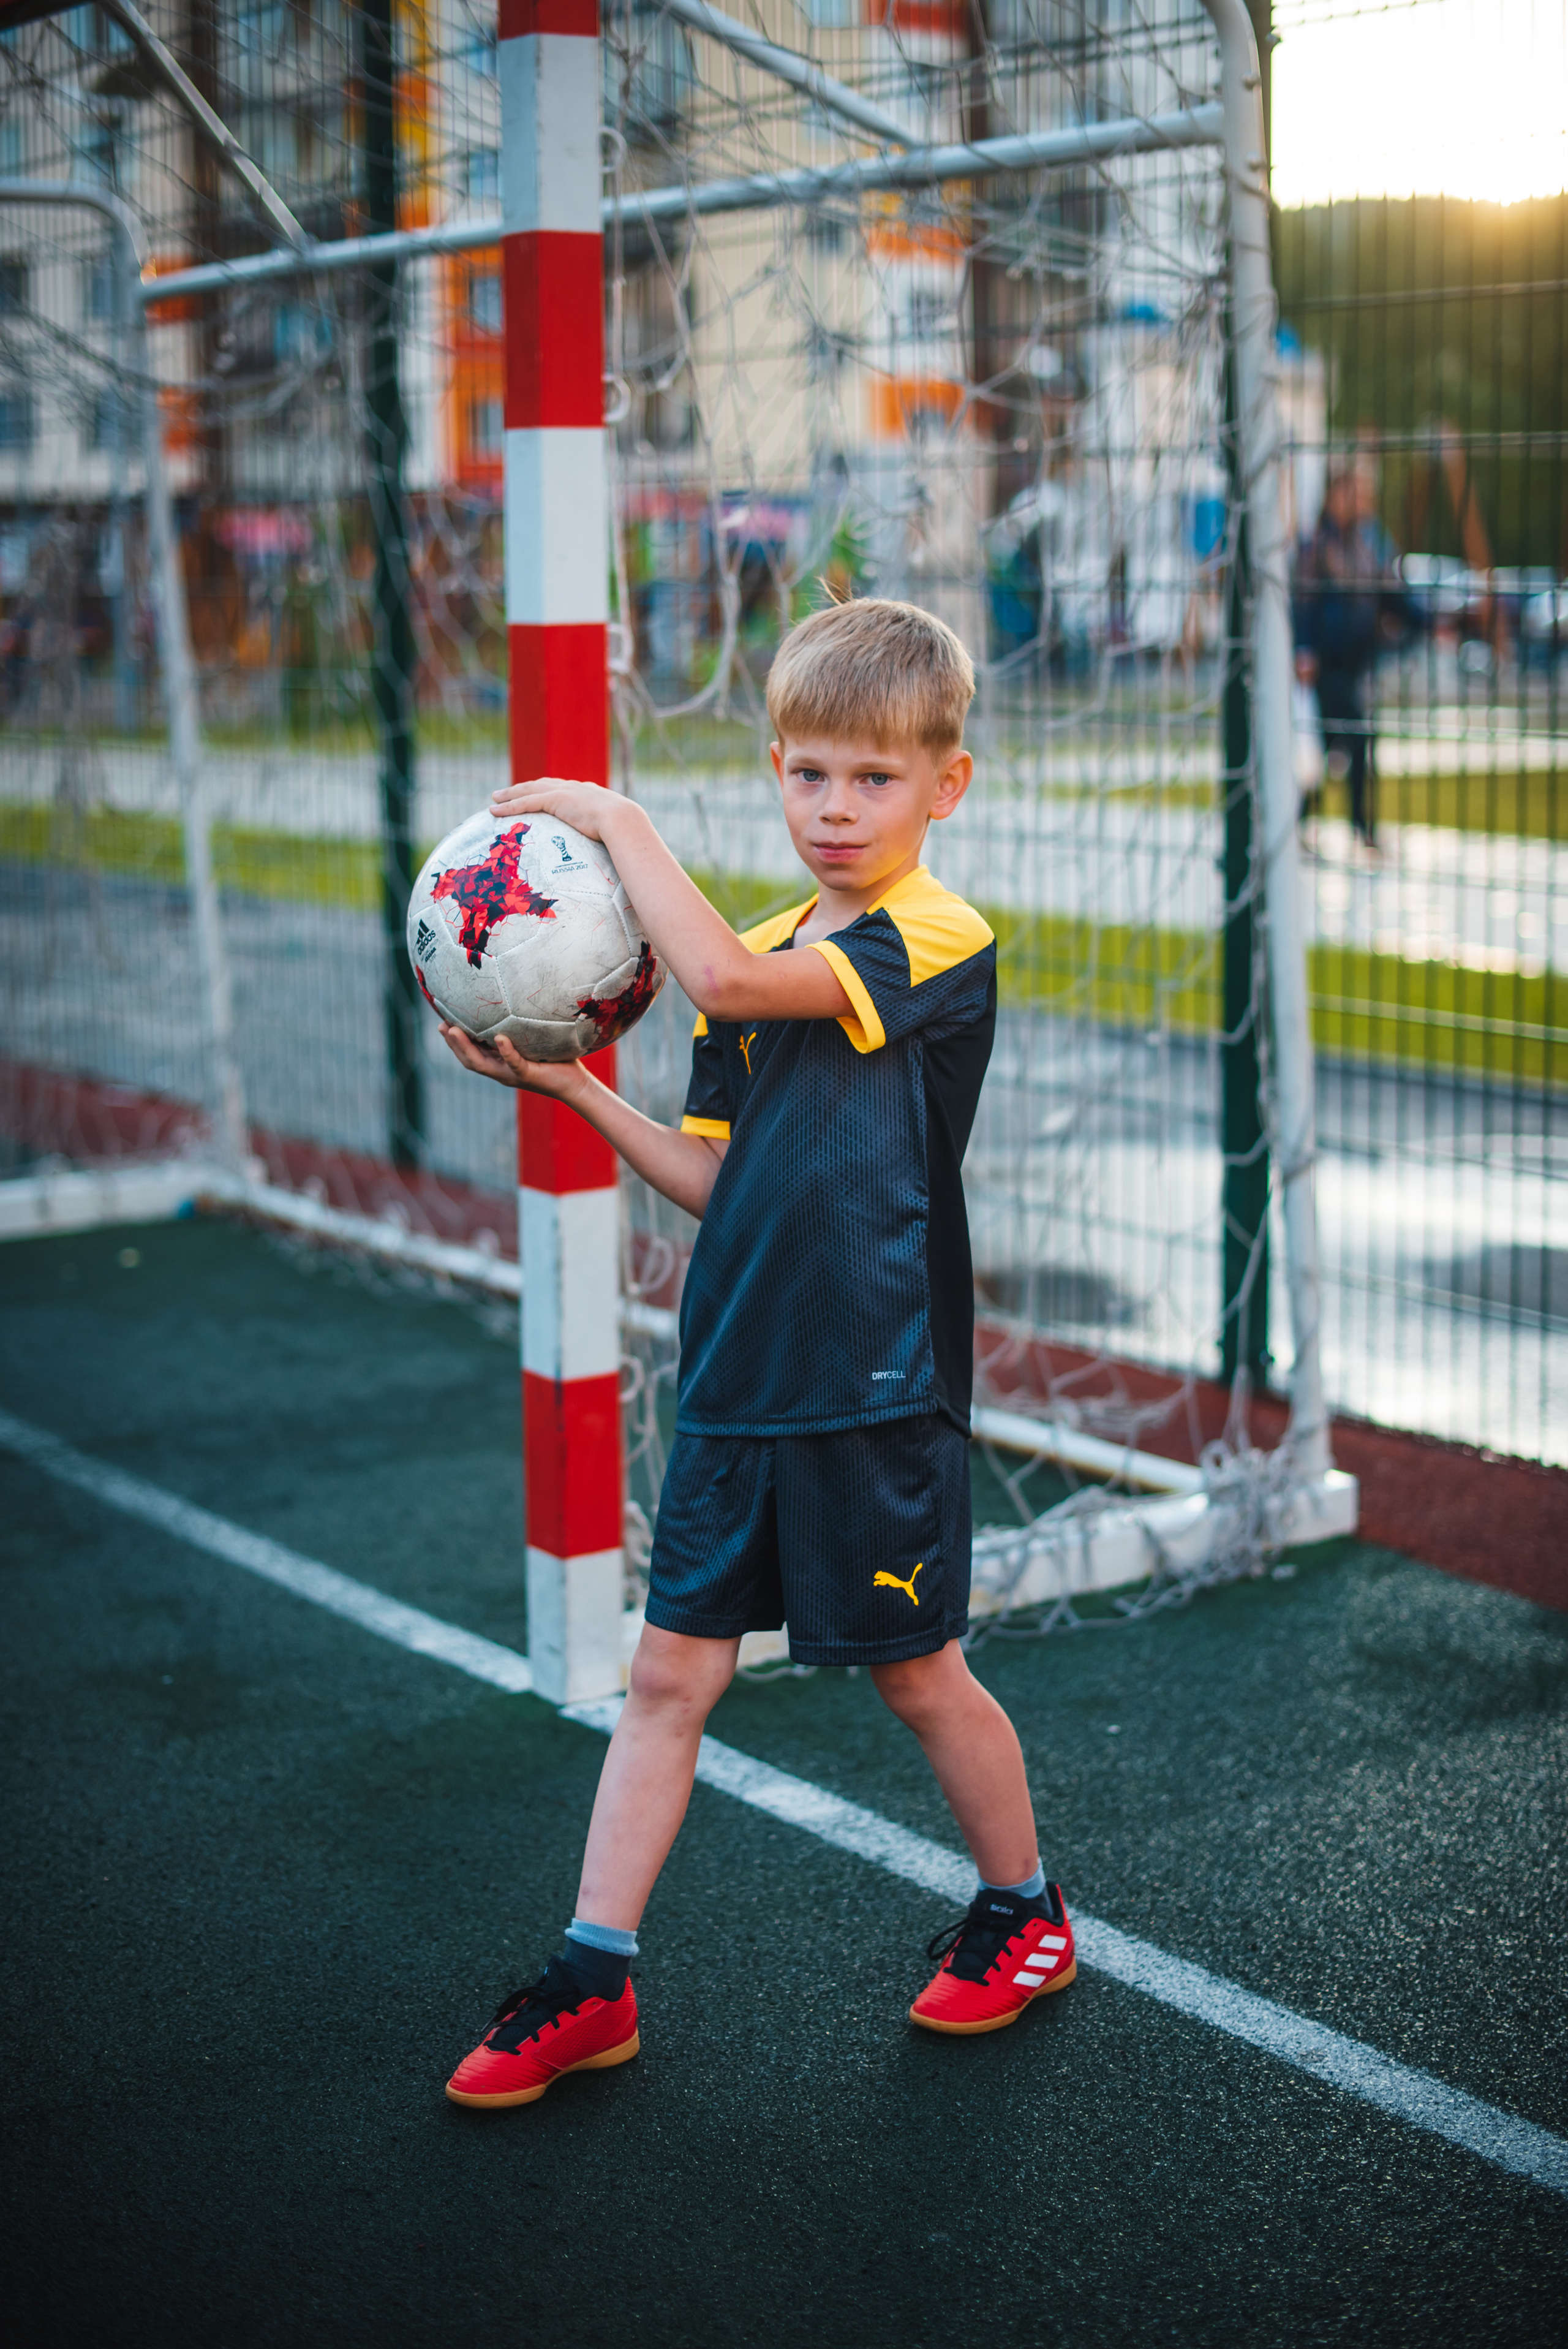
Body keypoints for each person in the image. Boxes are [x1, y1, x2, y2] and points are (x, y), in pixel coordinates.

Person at [437, 597, 1076, 2109]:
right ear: (774, 772)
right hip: (735, 1365)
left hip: (871, 1379)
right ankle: (592, 1976)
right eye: (807, 776)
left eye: (871, 779)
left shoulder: (931, 937)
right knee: (666, 1673)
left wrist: (611, 816)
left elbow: (714, 977)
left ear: (944, 786)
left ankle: (1023, 1910)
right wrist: (577, 1087)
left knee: (915, 1675)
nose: (835, 810)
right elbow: (719, 1174)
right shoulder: (771, 940)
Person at [1292, 460, 1408, 857]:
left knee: (1331, 746)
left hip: (1357, 662)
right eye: (1351, 492)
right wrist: (1303, 649)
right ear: (1333, 495)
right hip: (1325, 663)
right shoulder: (1318, 546)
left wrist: (1428, 621)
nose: (1359, 500)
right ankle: (1359, 827)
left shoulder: (1366, 542)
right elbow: (1303, 601)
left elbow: (1391, 592)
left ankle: (1300, 824)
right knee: (1354, 737)